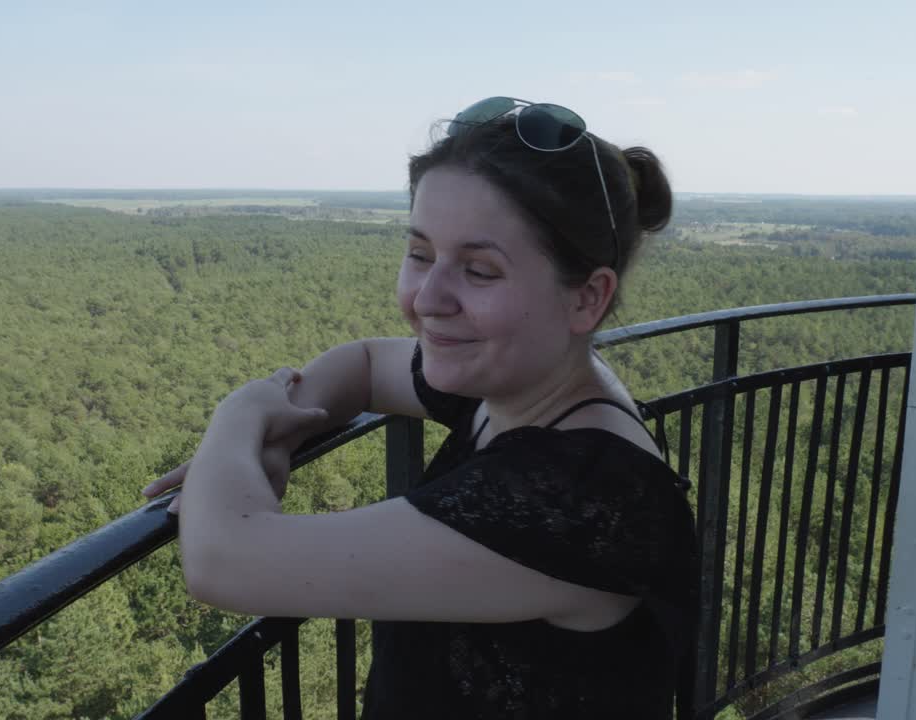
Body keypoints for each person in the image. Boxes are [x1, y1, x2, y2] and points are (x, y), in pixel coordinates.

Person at [142, 97, 700, 719]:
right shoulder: (525, 388)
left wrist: (240, 417)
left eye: (480, 270)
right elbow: (366, 363)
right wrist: (280, 432)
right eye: (420, 254)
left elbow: (223, 562)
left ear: (586, 298)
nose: (428, 298)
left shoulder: (582, 496)